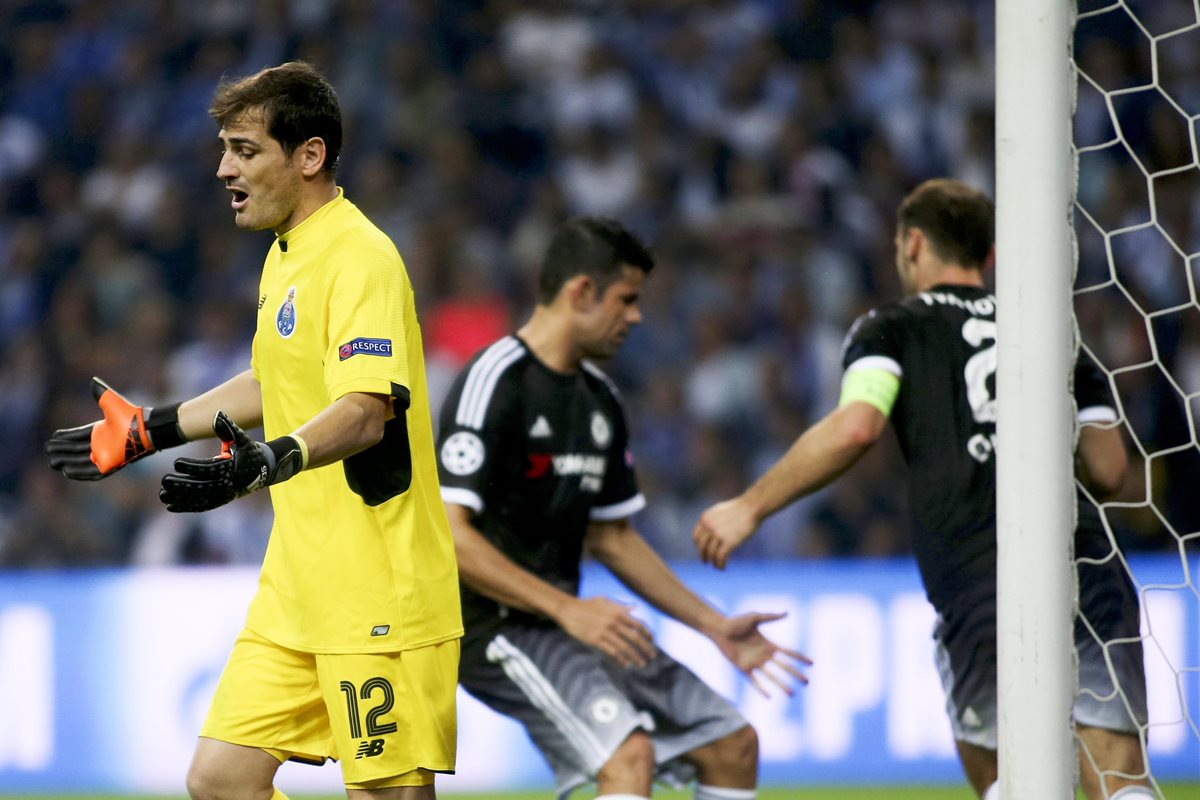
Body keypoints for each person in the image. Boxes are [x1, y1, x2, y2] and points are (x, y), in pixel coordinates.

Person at [46, 61, 461, 800]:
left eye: (244, 149)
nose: (222, 168)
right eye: (224, 149)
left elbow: (367, 409)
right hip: (298, 584)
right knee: (220, 780)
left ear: (309, 156)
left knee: (389, 795)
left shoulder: (362, 257)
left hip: (378, 587)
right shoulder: (286, 257)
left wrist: (273, 461)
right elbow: (275, 382)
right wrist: (152, 428)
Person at [692, 179, 1153, 800]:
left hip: (980, 580)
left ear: (912, 244)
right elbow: (1109, 470)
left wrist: (749, 506)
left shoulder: (892, 326)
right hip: (1085, 568)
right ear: (988, 256)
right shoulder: (1050, 332)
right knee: (1119, 779)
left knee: (1008, 783)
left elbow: (858, 426)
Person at [435, 216, 810, 800]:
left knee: (733, 745)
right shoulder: (494, 381)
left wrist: (714, 626)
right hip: (489, 627)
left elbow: (612, 539)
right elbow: (450, 537)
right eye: (626, 299)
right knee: (627, 758)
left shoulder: (600, 401)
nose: (635, 316)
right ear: (580, 292)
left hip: (564, 622)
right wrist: (567, 609)